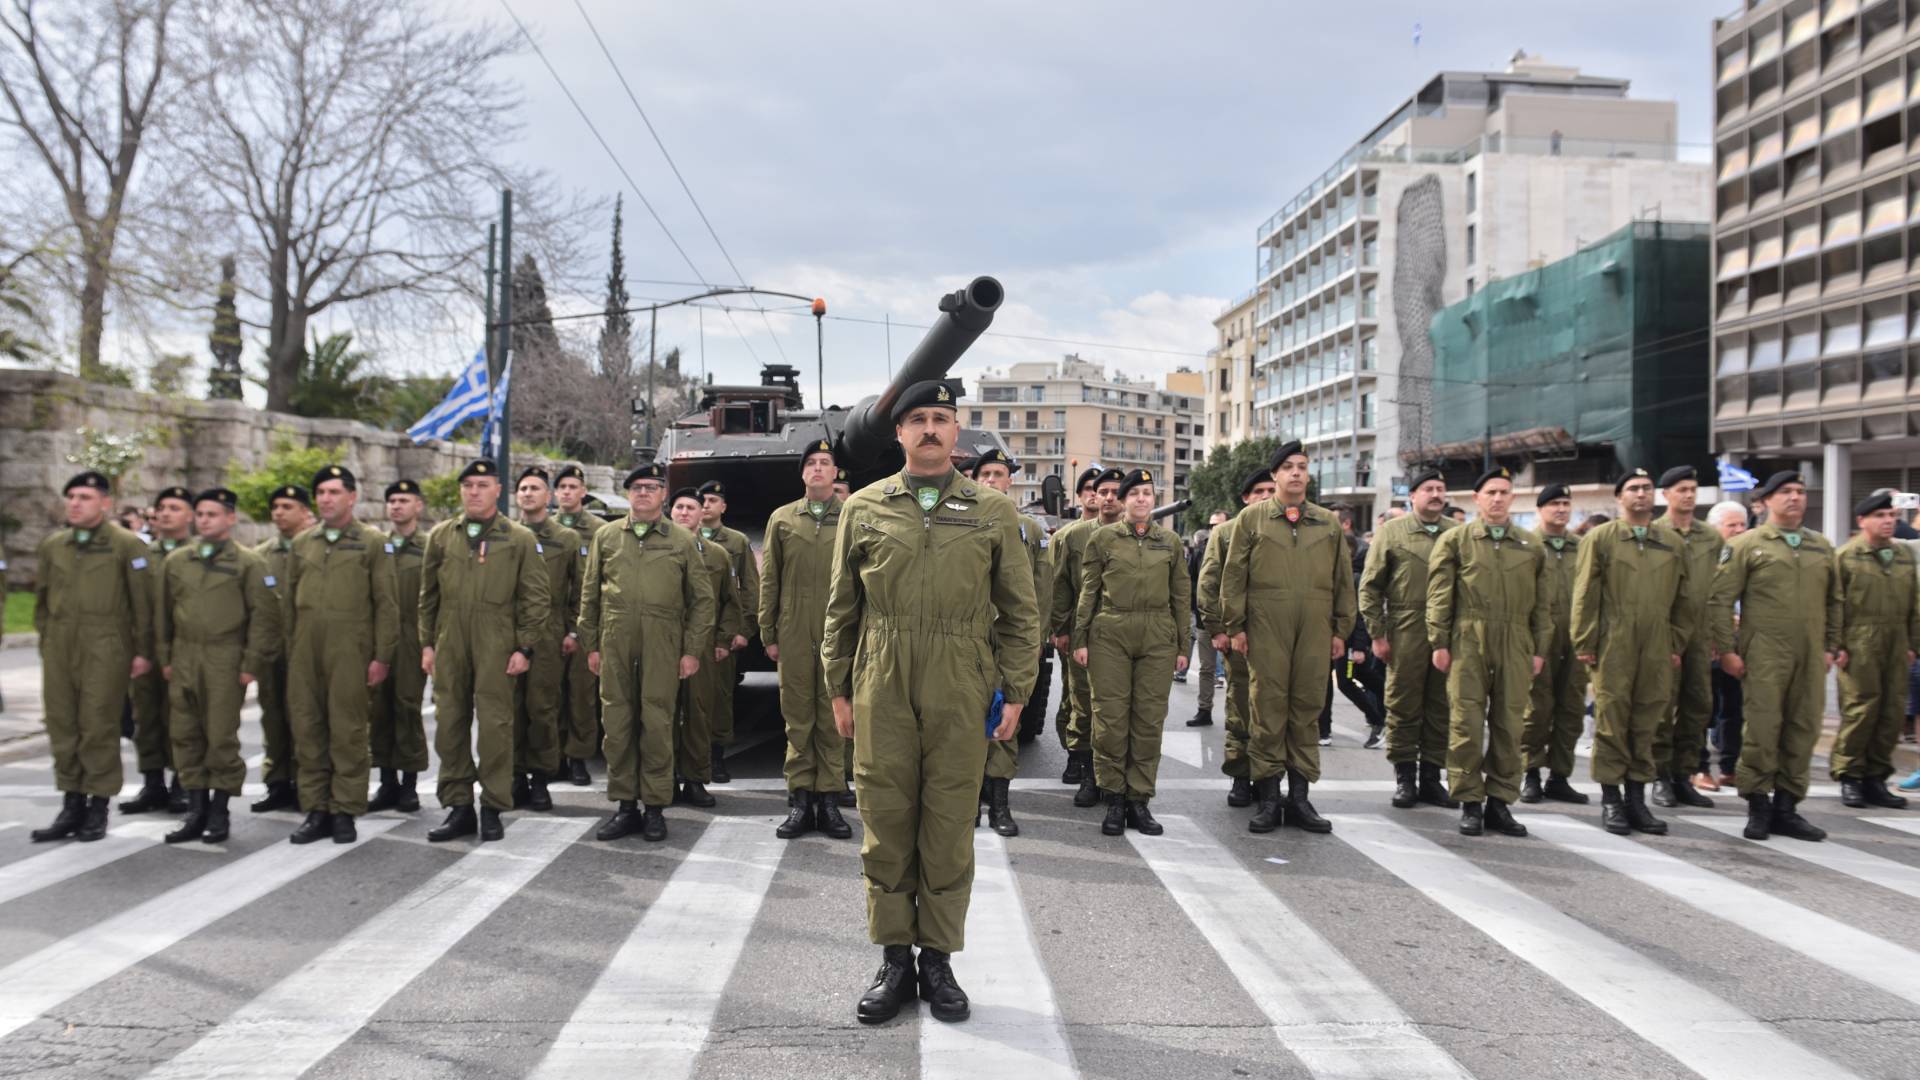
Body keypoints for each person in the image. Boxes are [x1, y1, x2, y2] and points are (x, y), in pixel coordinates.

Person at [821, 379, 1041, 1026]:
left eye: (940, 418)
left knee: (947, 826)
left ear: (956, 431)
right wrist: (838, 689)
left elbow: (1020, 612)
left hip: (960, 679)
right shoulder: (865, 507)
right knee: (887, 823)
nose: (929, 429)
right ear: (899, 433)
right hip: (881, 676)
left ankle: (938, 960)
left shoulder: (991, 511)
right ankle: (895, 960)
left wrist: (1016, 692)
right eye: (917, 418)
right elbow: (841, 609)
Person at [1223, 440, 1356, 835]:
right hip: (1266, 625)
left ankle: (1299, 798)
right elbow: (1234, 576)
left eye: (1302, 466)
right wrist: (1235, 626)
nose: (1296, 473)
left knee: (1307, 710)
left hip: (1315, 628)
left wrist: (1341, 629)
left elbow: (1343, 580)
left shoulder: (1327, 523)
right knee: (1267, 709)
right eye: (1288, 467)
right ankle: (1268, 798)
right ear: (1275, 475)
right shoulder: (1252, 519)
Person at [579, 462, 716, 843]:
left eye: (651, 487)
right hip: (615, 641)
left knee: (657, 725)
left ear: (662, 494)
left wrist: (691, 650)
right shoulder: (607, 536)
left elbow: (702, 600)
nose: (643, 493)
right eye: (637, 487)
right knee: (617, 725)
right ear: (628, 493)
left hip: (663, 643)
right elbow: (590, 595)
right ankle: (625, 806)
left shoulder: (681, 540)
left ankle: (655, 807)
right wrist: (591, 645)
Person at [1711, 470, 1841, 842]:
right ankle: (1758, 805)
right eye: (1785, 491)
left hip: (1810, 654)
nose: (1795, 497)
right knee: (1762, 729)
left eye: (1800, 491)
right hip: (1764, 653)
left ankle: (1787, 807)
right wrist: (1727, 650)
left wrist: (1830, 646)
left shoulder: (1821, 546)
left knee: (1803, 729)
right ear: (1766, 501)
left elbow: (1835, 600)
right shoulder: (1747, 545)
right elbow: (1720, 600)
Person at [31, 471, 155, 843]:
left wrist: (143, 651)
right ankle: (72, 803)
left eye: (84, 497)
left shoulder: (126, 545)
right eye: (71, 497)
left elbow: (143, 604)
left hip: (106, 645)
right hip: (61, 645)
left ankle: (98, 805)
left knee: (99, 725)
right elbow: (42, 600)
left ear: (105, 503)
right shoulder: (54, 545)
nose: (75, 503)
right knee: (62, 724)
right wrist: (47, 640)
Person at [1427, 467, 1550, 837]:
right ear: (1476, 499)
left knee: (1510, 725)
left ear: (1513, 498)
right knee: (1465, 723)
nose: (1497, 498)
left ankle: (1500, 802)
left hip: (1517, 639)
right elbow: (1439, 595)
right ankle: (1469, 801)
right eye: (1491, 492)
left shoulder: (1531, 545)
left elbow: (1543, 604)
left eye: (1504, 492)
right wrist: (1439, 641)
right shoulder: (1456, 540)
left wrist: (1539, 648)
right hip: (1468, 636)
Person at [1571, 467, 1693, 837]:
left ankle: (1637, 799)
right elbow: (1585, 593)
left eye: (1647, 488)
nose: (1641, 494)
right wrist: (1585, 641)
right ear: (1620, 497)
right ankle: (1611, 799)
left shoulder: (1671, 542)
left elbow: (1684, 598)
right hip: (1614, 641)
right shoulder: (1602, 538)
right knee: (1612, 719)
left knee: (1648, 720)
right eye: (1634, 488)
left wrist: (1675, 642)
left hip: (1656, 643)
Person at [283, 465, 399, 845]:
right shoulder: (303, 543)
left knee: (348, 731)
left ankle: (345, 810)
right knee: (308, 729)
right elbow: (288, 603)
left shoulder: (372, 542)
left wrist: (382, 656)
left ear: (352, 497)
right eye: (321, 493)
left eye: (334, 492)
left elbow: (386, 604)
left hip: (351, 650)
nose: (326, 499)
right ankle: (316, 809)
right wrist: (291, 649)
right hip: (306, 651)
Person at [154, 487, 278, 844]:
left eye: (213, 514)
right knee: (185, 734)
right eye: (201, 514)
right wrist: (166, 658)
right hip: (185, 655)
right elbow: (162, 614)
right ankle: (195, 810)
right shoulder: (178, 561)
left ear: (230, 518)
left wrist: (251, 663)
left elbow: (264, 617)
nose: (205, 520)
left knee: (220, 736)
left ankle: (219, 811)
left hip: (225, 657)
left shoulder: (248, 563)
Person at [1074, 467, 1186, 836]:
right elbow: (1089, 592)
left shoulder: (1170, 542)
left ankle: (1139, 799)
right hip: (1111, 631)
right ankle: (1114, 798)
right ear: (1122, 501)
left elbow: (1181, 596)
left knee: (1149, 721)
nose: (1141, 499)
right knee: (1110, 720)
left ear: (1154, 500)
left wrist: (1183, 645)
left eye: (1147, 493)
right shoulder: (1103, 539)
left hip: (1157, 634)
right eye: (1134, 493)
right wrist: (1080, 638)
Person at [760, 438, 852, 839]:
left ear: (835, 473)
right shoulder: (782, 519)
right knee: (798, 718)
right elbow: (770, 579)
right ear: (802, 473)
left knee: (832, 718)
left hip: (837, 630)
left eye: (824, 462)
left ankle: (829, 801)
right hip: (794, 630)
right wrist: (769, 630)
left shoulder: (851, 516)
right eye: (811, 462)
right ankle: (800, 800)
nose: (817, 468)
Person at [1359, 468, 1459, 810]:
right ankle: (1405, 779)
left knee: (1441, 707)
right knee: (1403, 705)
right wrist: (1377, 634)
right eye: (1428, 488)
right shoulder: (1392, 531)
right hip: (1405, 628)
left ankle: (1432, 779)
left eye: (1440, 488)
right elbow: (1371, 587)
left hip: (1447, 631)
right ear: (1413, 496)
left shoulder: (1456, 533)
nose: (1436, 494)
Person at [972, 448, 1050, 838]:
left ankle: (1000, 802)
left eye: (997, 474)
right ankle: (970, 800)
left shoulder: (1029, 530)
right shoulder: (962, 522)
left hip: (1010, 637)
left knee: (1005, 717)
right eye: (984, 474)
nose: (990, 480)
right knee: (967, 718)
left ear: (1010, 481)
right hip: (970, 636)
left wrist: (1036, 640)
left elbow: (1040, 589)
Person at [1831, 491, 1919, 810]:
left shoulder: (1903, 554)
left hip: (1896, 640)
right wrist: (1837, 644)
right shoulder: (1847, 556)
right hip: (1860, 640)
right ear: (1862, 521)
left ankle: (1876, 777)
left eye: (1892, 516)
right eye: (1880, 516)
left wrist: (1913, 644)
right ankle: (1850, 775)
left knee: (1892, 711)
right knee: (1861, 709)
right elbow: (1834, 603)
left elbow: (1915, 602)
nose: (1888, 521)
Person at [1197, 469, 1275, 806]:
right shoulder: (1226, 532)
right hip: (1238, 635)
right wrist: (1217, 629)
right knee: (1240, 709)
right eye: (1258, 491)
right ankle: (1241, 777)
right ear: (1245, 498)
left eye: (1270, 490)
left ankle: (1269, 779)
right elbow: (1209, 583)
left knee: (1274, 712)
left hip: (1279, 637)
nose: (1265, 496)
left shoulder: (1286, 531)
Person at [1051, 467, 1123, 806]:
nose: (1102, 496)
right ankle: (1081, 763)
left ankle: (1110, 772)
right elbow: (1060, 585)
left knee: (1115, 706)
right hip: (1083, 630)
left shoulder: (1138, 535)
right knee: (1080, 699)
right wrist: (1061, 629)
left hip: (1121, 632)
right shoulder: (1073, 536)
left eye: (1112, 491)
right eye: (1096, 490)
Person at [1651, 466, 1721, 811]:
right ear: (1665, 495)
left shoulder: (1711, 537)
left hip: (1701, 632)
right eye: (1681, 489)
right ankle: (1660, 775)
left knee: (1698, 706)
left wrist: (1720, 636)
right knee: (1663, 706)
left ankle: (1684, 774)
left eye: (1693, 489)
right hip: (1664, 631)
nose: (1689, 495)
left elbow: (1720, 589)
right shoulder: (1655, 534)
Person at [512, 466, 581, 813]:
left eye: (535, 488)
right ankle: (514, 777)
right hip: (508, 630)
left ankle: (540, 779)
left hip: (550, 632)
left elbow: (580, 590)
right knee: (508, 709)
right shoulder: (506, 535)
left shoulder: (566, 538)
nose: (528, 493)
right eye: (523, 488)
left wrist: (573, 630)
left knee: (542, 707)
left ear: (548, 496)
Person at [122, 485, 194, 816]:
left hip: (183, 649)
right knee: (145, 716)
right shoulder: (142, 555)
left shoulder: (197, 554)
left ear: (190, 515)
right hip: (145, 649)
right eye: (162, 507)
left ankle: (182, 783)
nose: (165, 513)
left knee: (182, 717)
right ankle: (153, 783)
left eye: (174, 508)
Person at [669, 487, 741, 809]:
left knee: (698, 714)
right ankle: (667, 778)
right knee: (664, 713)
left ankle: (696, 780)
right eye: (679, 507)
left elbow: (730, 602)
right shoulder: (658, 550)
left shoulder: (717, 555)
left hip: (703, 648)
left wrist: (724, 640)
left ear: (702, 514)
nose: (684, 512)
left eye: (691, 507)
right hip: (664, 645)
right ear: (671, 512)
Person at [1520, 484, 1590, 805]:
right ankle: (1531, 772)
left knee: (1571, 708)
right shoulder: (1528, 545)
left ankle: (1560, 776)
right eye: (1554, 504)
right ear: (1540, 509)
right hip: (1539, 638)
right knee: (1536, 708)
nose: (1561, 509)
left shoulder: (1583, 547)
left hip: (1575, 638)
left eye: (1565, 503)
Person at [250, 484, 311, 812]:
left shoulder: (314, 550)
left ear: (305, 512)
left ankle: (307, 783)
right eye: (275, 507)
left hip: (307, 648)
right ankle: (277, 783)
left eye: (287, 506)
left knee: (305, 718)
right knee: (272, 716)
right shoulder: (260, 556)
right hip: (273, 651)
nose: (279, 513)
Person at [369, 479, 428, 814]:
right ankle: (386, 781)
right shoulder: (378, 545)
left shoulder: (429, 546)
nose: (396, 506)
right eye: (392, 500)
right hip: (379, 638)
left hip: (412, 639)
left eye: (403, 500)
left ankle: (409, 785)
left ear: (418, 506)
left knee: (407, 708)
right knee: (379, 710)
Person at [696, 480, 759, 788]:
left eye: (713, 500)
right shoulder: (682, 539)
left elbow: (749, 588)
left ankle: (716, 755)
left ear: (723, 507)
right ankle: (690, 757)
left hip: (722, 630)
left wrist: (744, 629)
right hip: (688, 632)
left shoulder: (736, 542)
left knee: (720, 696)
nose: (706, 505)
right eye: (702, 501)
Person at [553, 464, 606, 786]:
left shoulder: (600, 530)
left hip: (585, 623)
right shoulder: (543, 530)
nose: (567, 492)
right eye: (562, 487)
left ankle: (578, 758)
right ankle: (555, 756)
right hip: (550, 623)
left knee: (581, 695)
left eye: (573, 487)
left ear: (583, 492)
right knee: (550, 693)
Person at [1318, 505, 1384, 748]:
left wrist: (1358, 645)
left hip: (1348, 639)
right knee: (1326, 683)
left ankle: (1379, 720)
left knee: (1348, 681)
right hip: (1329, 635)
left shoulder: (1355, 573)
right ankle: (1323, 731)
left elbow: (1358, 612)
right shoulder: (1329, 569)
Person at [1701, 500, 1749, 790]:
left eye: (1742, 524)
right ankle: (1699, 767)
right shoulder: (1706, 558)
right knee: (1703, 707)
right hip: (1708, 643)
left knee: (1735, 707)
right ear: (1715, 528)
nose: (1739, 530)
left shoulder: (1749, 556)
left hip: (1740, 644)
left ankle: (1730, 767)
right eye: (1732, 525)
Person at [1188, 510, 1229, 728]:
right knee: (1206, 668)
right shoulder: (1200, 551)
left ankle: (1237, 716)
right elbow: (1192, 582)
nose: (1215, 529)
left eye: (1219, 524)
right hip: (1205, 620)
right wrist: (1196, 610)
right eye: (1212, 525)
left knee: (1236, 671)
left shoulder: (1238, 546)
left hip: (1233, 621)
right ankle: (1204, 710)